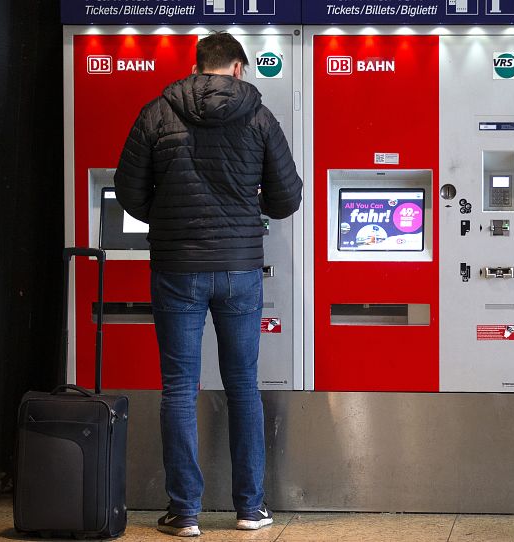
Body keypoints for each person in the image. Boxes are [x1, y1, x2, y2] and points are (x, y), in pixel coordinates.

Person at [114, 31, 302, 537]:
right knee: (243, 385)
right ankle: (251, 509)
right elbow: (286, 199)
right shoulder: (260, 117)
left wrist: (169, 217)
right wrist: (250, 206)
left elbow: (128, 191)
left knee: (179, 388)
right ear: (238, 68)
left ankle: (186, 513)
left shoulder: (157, 112)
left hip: (177, 267)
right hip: (239, 268)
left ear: (197, 66)